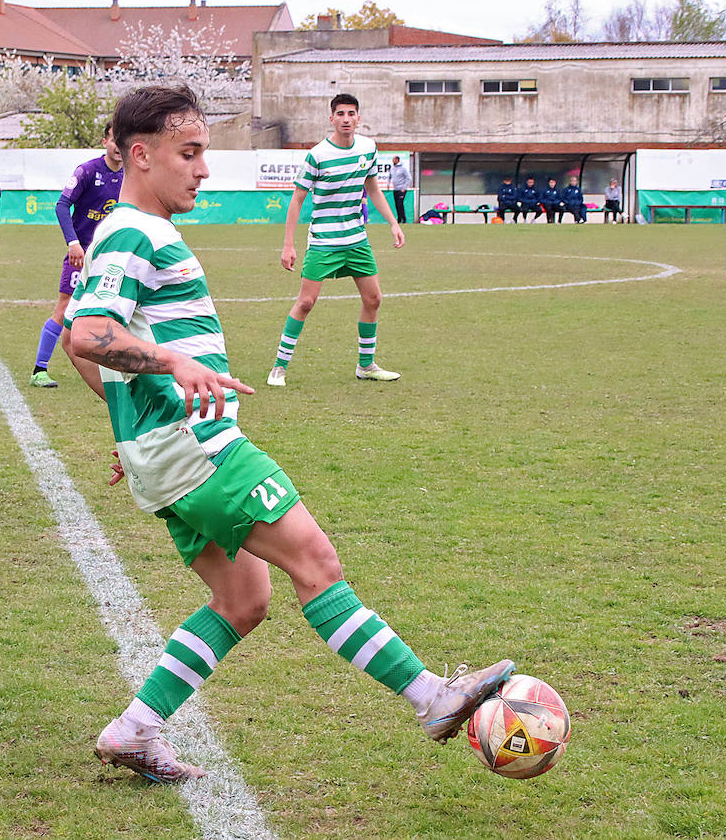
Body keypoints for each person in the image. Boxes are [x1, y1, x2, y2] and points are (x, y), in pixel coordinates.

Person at [63, 85, 515, 784]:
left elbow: (87, 348)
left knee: (243, 601)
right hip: (198, 445)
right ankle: (432, 698)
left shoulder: (135, 231)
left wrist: (130, 427)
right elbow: (86, 334)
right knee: (317, 563)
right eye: (190, 154)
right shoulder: (133, 230)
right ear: (142, 155)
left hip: (166, 450)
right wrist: (172, 364)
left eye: (203, 153)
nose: (203, 169)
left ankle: (133, 731)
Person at [267, 93, 404, 388]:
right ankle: (279, 367)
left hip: (356, 240)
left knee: (374, 298)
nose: (345, 119)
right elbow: (297, 199)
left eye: (351, 113)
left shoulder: (368, 148)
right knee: (305, 302)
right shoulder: (317, 155)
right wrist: (289, 245)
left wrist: (393, 223)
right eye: (340, 114)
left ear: (358, 118)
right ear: (331, 119)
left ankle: (366, 366)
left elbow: (374, 189)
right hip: (323, 242)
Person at [28, 122, 123, 389]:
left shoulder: (132, 176)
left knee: (115, 311)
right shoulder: (87, 171)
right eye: (114, 139)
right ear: (105, 141)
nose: (118, 146)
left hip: (113, 258)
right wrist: (73, 242)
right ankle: (39, 369)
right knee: (64, 308)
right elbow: (62, 205)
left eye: (123, 140)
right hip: (81, 256)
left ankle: (115, 368)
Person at [388, 155, 411, 224]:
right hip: (395, 189)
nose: (393, 161)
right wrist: (388, 184)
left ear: (397, 160)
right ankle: (399, 219)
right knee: (397, 205)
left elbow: (409, 178)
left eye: (394, 159)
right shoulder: (392, 168)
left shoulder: (403, 168)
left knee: (400, 203)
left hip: (401, 189)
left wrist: (404, 187)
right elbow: (389, 177)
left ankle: (404, 219)